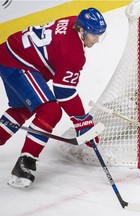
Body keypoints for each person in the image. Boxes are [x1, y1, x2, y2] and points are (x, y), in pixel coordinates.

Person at [0, 7, 107, 188]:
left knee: (22, 109)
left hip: (9, 53)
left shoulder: (75, 21)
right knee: (50, 111)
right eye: (93, 36)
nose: (96, 40)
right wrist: (81, 121)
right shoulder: (73, 52)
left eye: (99, 36)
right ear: (81, 31)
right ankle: (25, 162)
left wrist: (80, 121)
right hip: (19, 62)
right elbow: (63, 92)